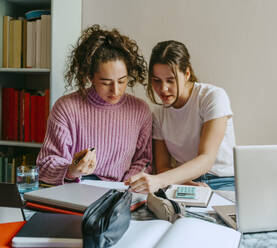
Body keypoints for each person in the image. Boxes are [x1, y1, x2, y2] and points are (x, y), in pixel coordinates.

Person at [37, 25, 152, 185]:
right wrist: (72, 170)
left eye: (122, 81)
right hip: (74, 190)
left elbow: (144, 160)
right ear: (90, 76)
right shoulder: (66, 107)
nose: (116, 90)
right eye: (106, 83)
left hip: (120, 192)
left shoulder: (140, 110)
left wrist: (125, 186)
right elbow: (45, 165)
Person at [127, 40, 235, 193]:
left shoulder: (212, 97)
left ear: (187, 74)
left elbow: (206, 160)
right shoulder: (159, 115)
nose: (163, 89)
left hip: (223, 181)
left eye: (170, 80)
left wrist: (158, 180)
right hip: (183, 182)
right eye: (157, 80)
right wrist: (186, 184)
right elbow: (163, 166)